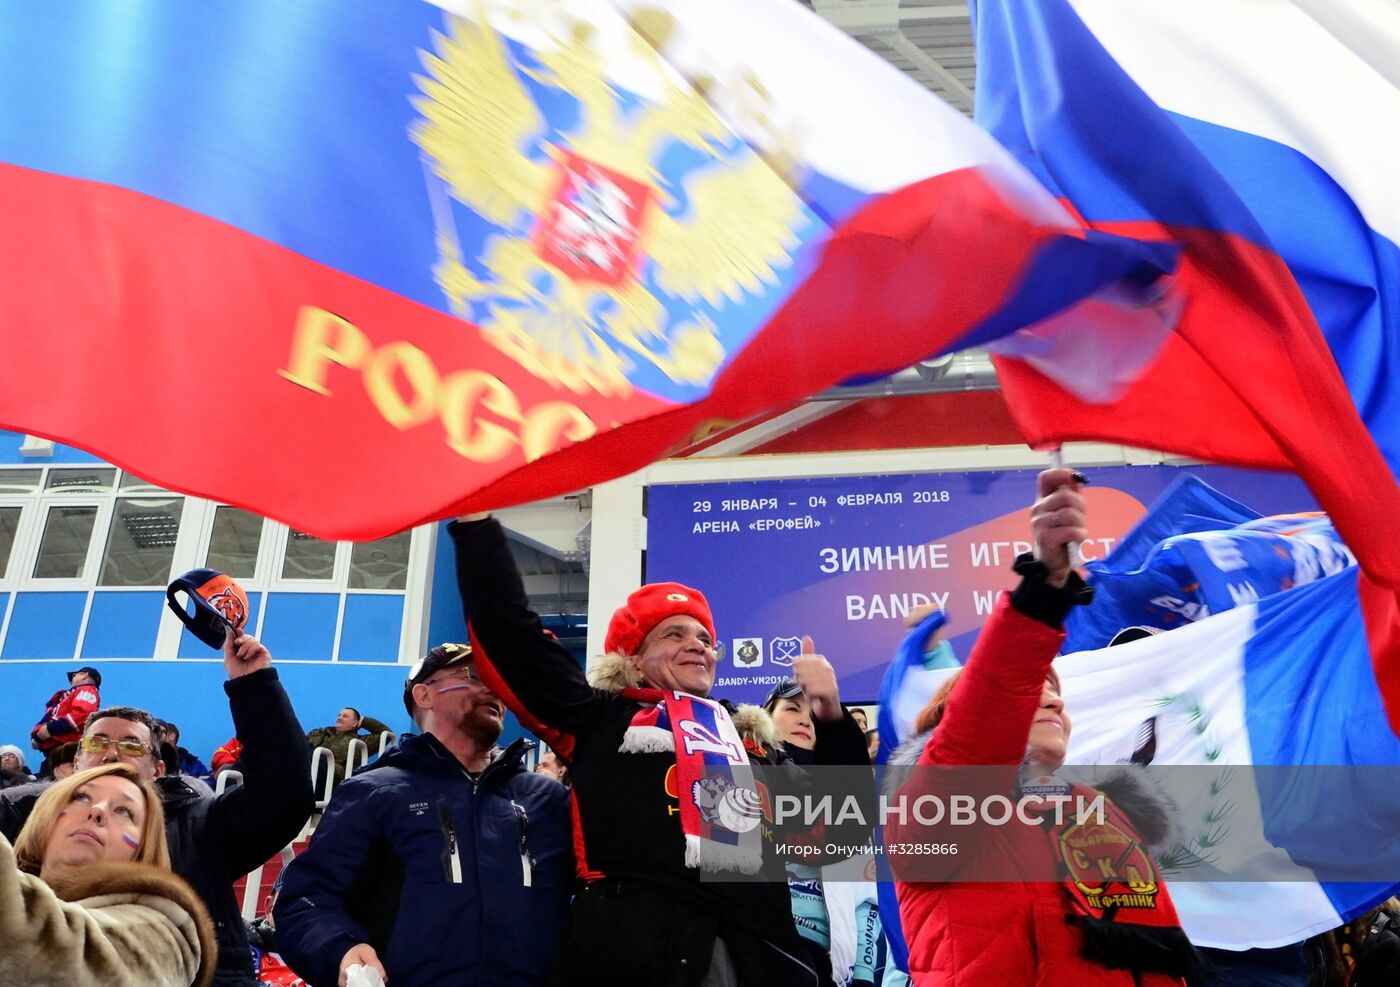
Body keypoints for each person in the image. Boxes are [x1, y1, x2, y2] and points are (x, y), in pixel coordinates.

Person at [449, 513, 874, 985]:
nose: (698, 646)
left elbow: (840, 829)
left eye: (706, 639)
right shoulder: (599, 719)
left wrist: (832, 718)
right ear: (631, 656)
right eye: (673, 634)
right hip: (638, 953)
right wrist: (476, 528)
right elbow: (510, 635)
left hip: (760, 958)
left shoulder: (751, 744)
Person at [887, 468, 1204, 985]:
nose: (1054, 701)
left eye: (1058, 692)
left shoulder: (1100, 812)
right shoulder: (931, 813)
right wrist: (1044, 589)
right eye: (1037, 690)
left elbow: (1162, 955)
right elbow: (977, 733)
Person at [0, 629, 314, 987]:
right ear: (75, 761)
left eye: (132, 746)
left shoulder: (201, 826)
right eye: (98, 742)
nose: (112, 752)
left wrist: (255, 686)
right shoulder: (18, 811)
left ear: (158, 769)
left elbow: (282, 794)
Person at [275, 642, 573, 987]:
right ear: (424, 695)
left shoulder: (547, 798)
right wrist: (341, 948)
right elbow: (308, 898)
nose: (493, 688)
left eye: (498, 680)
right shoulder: (374, 792)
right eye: (474, 676)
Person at [2, 762, 216, 987]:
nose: (98, 810)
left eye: (124, 811)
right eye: (82, 797)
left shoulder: (166, 932)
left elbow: (55, 956)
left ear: (142, 850)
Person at [764, 682, 882, 987]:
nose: (805, 719)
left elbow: (867, 900)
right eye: (792, 709)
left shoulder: (850, 801)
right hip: (758, 953)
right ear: (765, 716)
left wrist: (864, 976)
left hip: (827, 967)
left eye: (813, 715)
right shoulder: (737, 775)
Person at [305, 706, 394, 791]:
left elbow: (386, 734)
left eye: (345, 716)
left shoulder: (359, 743)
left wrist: (363, 721)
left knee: (319, 758)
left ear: (355, 723)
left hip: (333, 774)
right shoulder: (320, 733)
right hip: (308, 767)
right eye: (339, 715)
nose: (339, 718)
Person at [30, 665, 101, 754]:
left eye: (74, 676)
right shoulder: (64, 697)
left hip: (67, 748)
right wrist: (37, 737)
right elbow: (48, 718)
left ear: (85, 675)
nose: (71, 681)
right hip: (54, 748)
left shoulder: (87, 689)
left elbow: (83, 714)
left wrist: (50, 729)